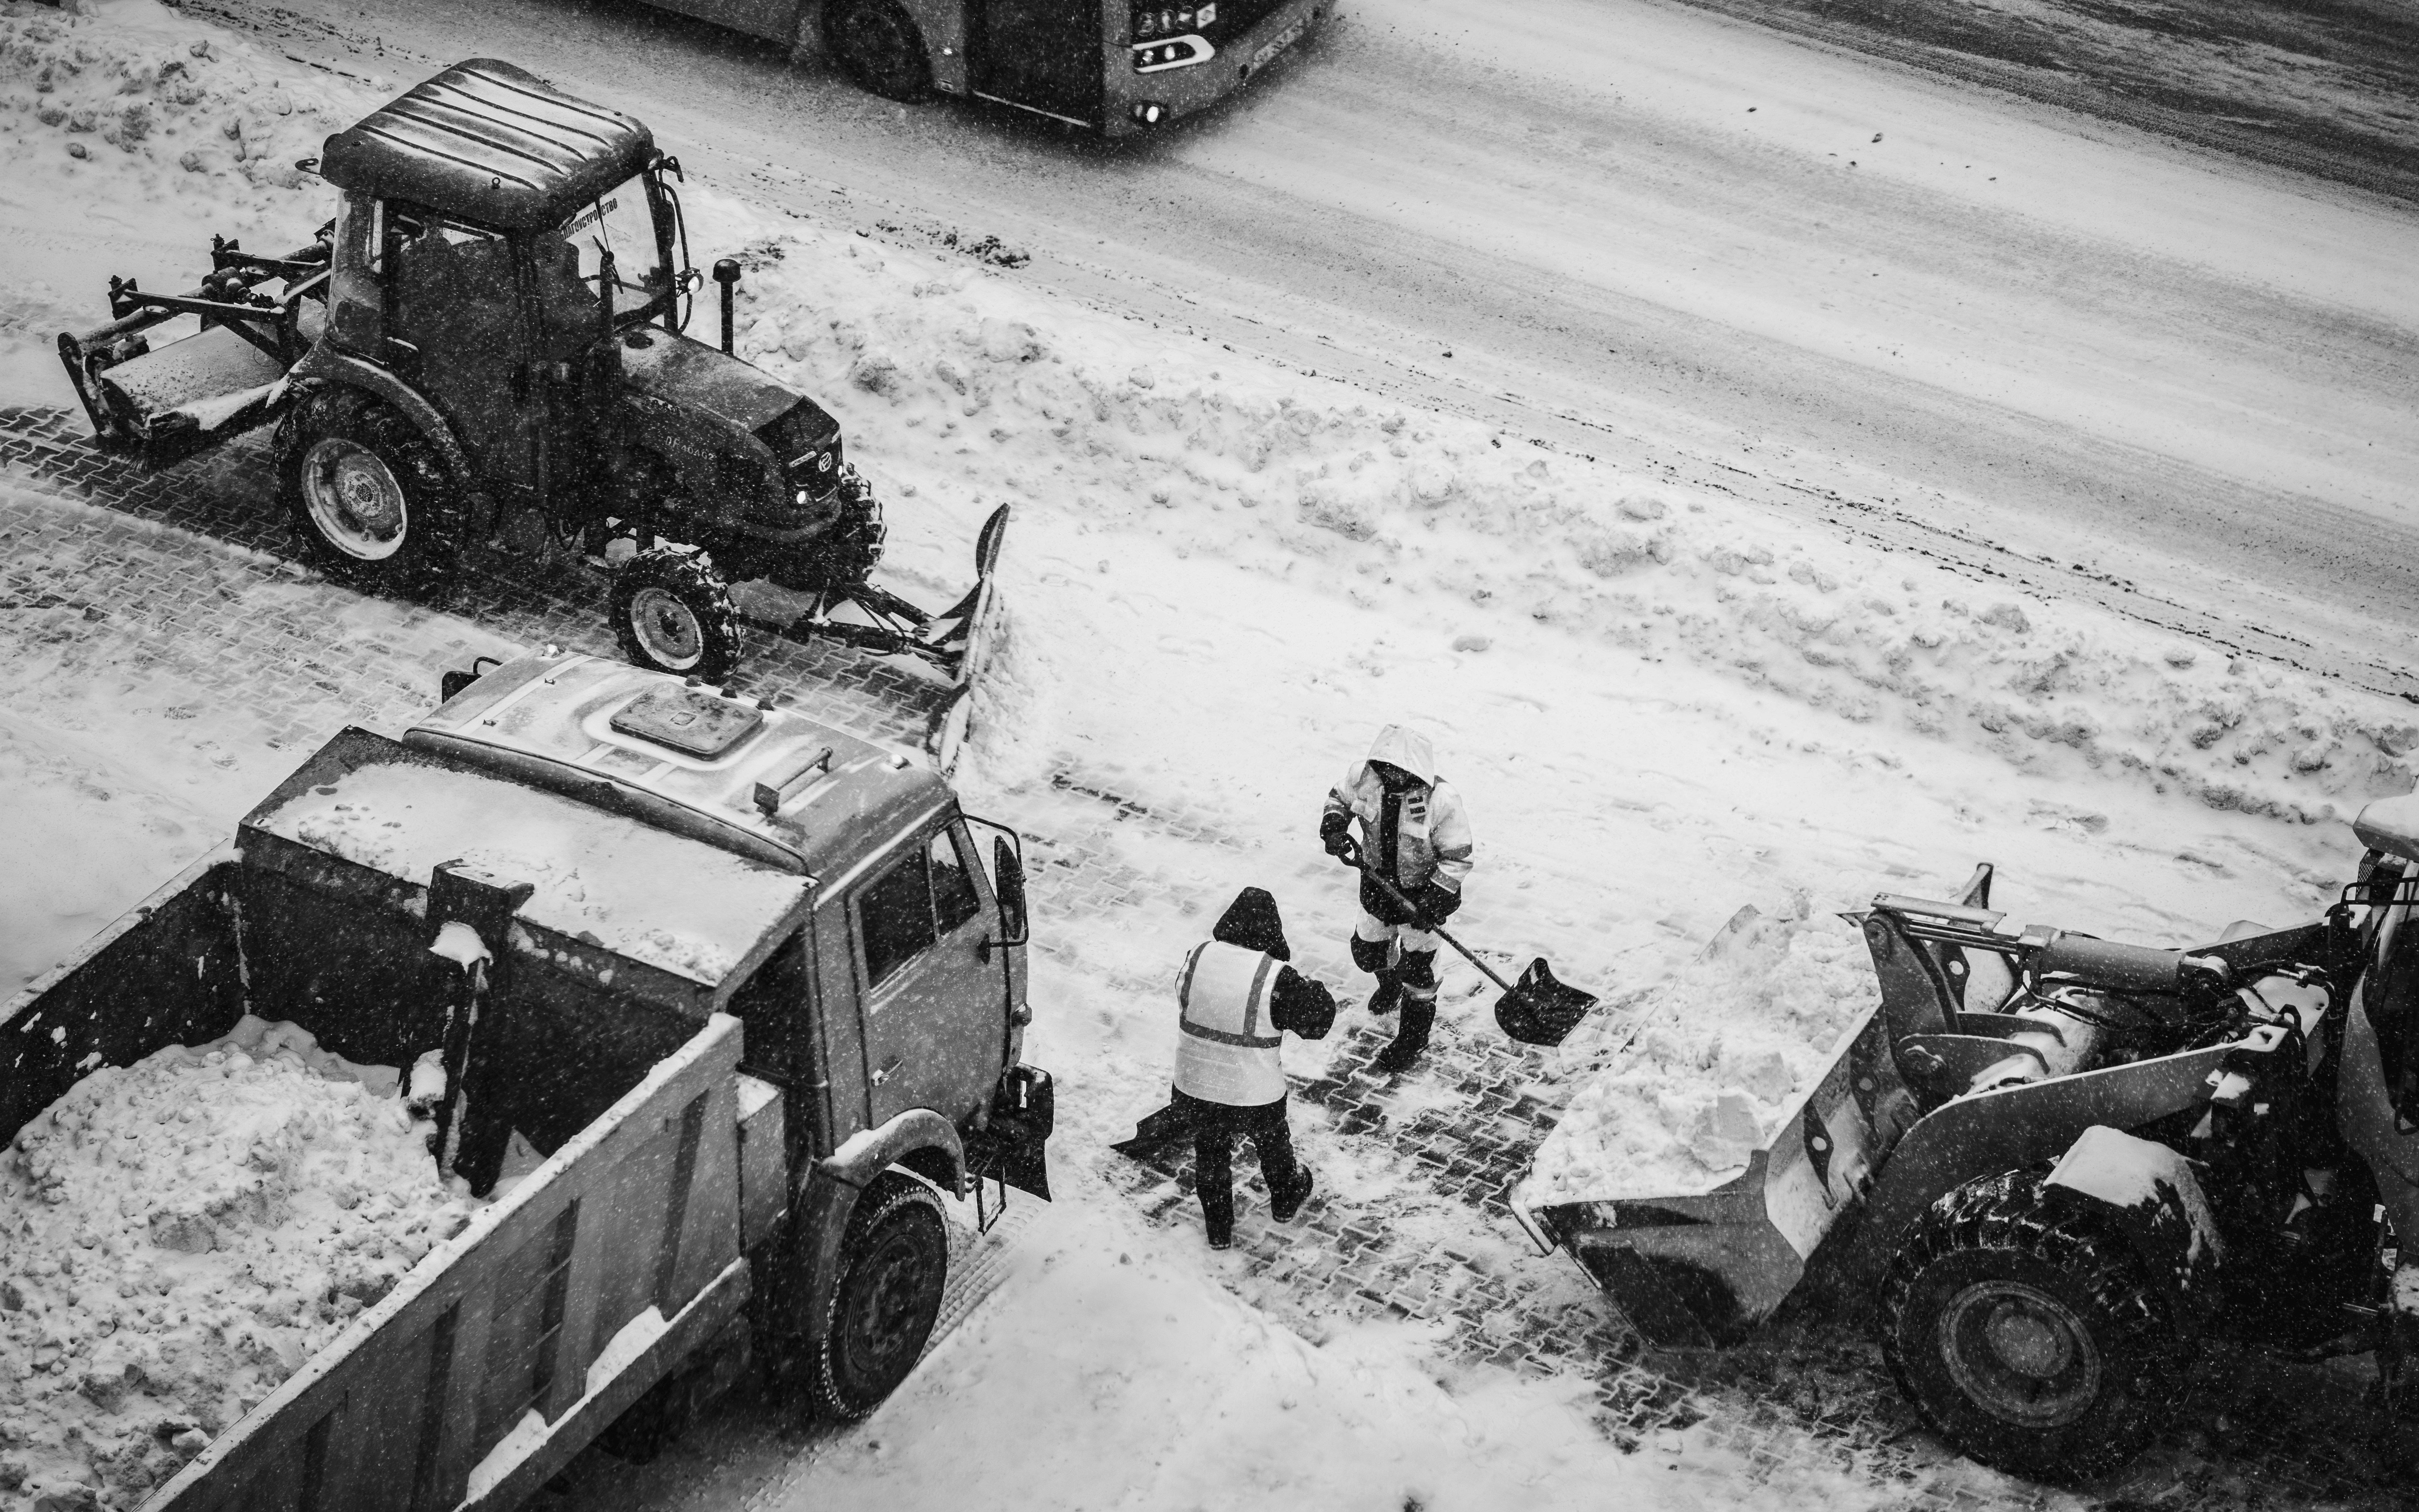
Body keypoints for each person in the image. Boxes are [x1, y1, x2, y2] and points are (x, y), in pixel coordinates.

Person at [1171, 887, 1335, 1249]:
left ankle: (1218, 1228)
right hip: (1252, 1093)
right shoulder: (1277, 977)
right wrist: (1315, 990)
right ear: (1271, 932)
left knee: (1210, 1152)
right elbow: (1317, 1024)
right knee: (1272, 1141)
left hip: (1193, 1086)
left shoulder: (1197, 955)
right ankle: (1285, 1196)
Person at [1319, 725, 1474, 1073]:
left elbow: (1458, 856)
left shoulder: (1440, 801)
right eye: (1385, 768)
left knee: (1419, 974)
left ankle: (1412, 1039)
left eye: (1398, 771)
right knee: (1368, 953)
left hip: (1423, 899)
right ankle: (1389, 986)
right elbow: (1338, 800)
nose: (1390, 775)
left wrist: (1432, 901)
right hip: (1377, 888)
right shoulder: (1363, 777)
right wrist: (1334, 827)